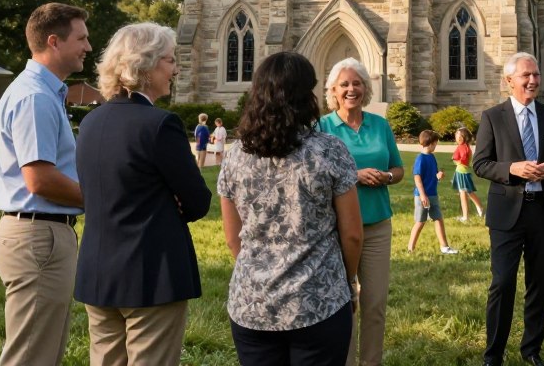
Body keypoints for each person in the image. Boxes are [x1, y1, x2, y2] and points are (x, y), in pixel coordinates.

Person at [74, 23, 212, 365]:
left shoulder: (91, 122)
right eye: (170, 60)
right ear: (146, 65)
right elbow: (197, 201)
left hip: (97, 271)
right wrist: (171, 201)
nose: (175, 69)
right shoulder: (160, 124)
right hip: (152, 274)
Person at [219, 52, 363, 366]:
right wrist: (349, 282)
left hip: (252, 304)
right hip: (318, 301)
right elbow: (352, 234)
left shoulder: (234, 155)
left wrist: (262, 277)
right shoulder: (328, 150)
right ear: (305, 96)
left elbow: (233, 237)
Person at [0, 3, 89, 366]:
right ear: (54, 41)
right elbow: (40, 179)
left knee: (43, 351)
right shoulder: (35, 97)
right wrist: (103, 200)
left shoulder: (44, 92)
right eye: (81, 38)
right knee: (31, 355)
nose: (88, 47)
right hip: (39, 236)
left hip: (42, 234)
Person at [472, 52, 544, 366]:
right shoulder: (492, 117)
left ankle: (532, 350)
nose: (532, 81)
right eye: (525, 76)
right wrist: (512, 169)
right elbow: (481, 164)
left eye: (536, 75)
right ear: (509, 81)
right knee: (502, 282)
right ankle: (493, 355)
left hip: (543, 211)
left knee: (539, 282)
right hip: (507, 213)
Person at [317, 58, 404, 366]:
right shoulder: (322, 127)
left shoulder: (379, 124)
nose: (351, 89)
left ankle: (370, 362)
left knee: (375, 302)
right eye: (344, 84)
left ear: (365, 88)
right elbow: (316, 175)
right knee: (343, 303)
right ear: (333, 91)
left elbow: (398, 168)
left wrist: (387, 177)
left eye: (356, 83)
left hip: (378, 223)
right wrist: (353, 175)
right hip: (336, 227)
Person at [407, 129, 459, 254]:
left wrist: (438, 175)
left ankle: (445, 247)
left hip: (433, 194)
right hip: (422, 196)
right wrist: (423, 195)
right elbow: (417, 178)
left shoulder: (432, 157)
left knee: (438, 219)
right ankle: (410, 249)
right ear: (431, 143)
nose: (436, 146)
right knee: (420, 221)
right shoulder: (420, 159)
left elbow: (433, 174)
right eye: (436, 143)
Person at [451, 127, 484, 222]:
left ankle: (466, 217)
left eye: (458, 135)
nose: (456, 137)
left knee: (463, 193)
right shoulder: (465, 146)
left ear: (463, 137)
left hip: (462, 172)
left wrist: (456, 160)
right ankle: (480, 208)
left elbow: (463, 158)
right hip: (463, 172)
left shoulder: (462, 147)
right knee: (469, 192)